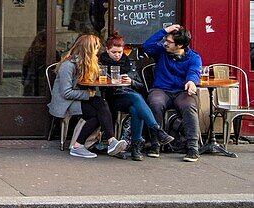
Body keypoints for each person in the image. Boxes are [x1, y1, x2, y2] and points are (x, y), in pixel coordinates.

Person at [48, 34, 129, 160]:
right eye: (96, 48)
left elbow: (99, 77)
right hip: (65, 103)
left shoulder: (86, 63)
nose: (98, 51)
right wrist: (88, 94)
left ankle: (110, 141)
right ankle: (79, 146)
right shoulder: (68, 66)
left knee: (101, 103)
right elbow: (66, 93)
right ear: (88, 49)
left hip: (77, 99)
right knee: (98, 112)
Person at [99, 32, 174, 160]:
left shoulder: (129, 63)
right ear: (107, 50)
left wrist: (130, 82)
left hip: (128, 96)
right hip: (111, 98)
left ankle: (135, 147)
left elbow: (140, 85)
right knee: (136, 99)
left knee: (136, 108)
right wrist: (111, 82)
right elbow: (97, 85)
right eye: (114, 52)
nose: (117, 55)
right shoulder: (101, 63)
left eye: (120, 52)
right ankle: (155, 130)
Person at [142, 23, 203, 162]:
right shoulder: (161, 51)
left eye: (169, 42)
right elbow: (146, 46)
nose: (165, 43)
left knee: (189, 106)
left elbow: (194, 71)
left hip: (181, 91)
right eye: (166, 40)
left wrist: (191, 81)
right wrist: (165, 31)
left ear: (180, 46)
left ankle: (192, 147)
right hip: (161, 89)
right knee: (155, 102)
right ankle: (154, 144)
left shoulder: (194, 57)